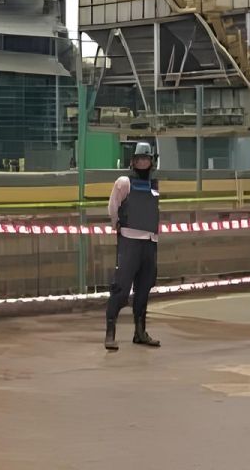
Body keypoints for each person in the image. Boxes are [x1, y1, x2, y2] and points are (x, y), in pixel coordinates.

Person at [105, 142, 161, 351]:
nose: (143, 162)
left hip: (150, 243)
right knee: (120, 288)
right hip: (129, 241)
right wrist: (116, 224)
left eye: (147, 159)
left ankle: (140, 332)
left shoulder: (154, 185)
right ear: (134, 161)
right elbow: (113, 206)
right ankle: (110, 333)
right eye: (140, 159)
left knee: (144, 289)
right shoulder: (124, 182)